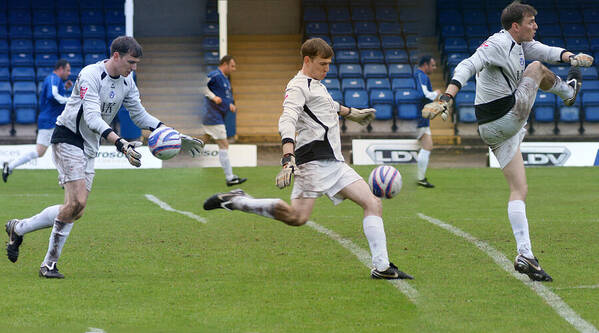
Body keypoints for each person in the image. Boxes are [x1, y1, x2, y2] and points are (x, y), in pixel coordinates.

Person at [203, 38, 413, 280]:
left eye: (329, 64)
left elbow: (327, 105)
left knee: (373, 203)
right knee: (297, 217)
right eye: (322, 64)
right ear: (307, 60)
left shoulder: (317, 85)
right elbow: (287, 119)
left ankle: (382, 267)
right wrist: (287, 156)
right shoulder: (297, 87)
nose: (327, 69)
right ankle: (239, 201)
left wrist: (351, 113)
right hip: (311, 162)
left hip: (335, 162)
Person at [5, 36, 204, 278]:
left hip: (89, 145)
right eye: (131, 62)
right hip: (67, 138)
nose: (134, 68)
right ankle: (49, 264)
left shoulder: (128, 81)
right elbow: (91, 117)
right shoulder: (90, 75)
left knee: (76, 209)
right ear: (116, 56)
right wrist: (120, 143)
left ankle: (19, 227)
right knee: (76, 202)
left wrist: (173, 133)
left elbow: (139, 115)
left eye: (137, 63)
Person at [423, 1, 593, 282]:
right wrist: (447, 97)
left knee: (519, 189)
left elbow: (546, 50)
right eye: (531, 22)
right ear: (516, 26)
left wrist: (570, 58)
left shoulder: (521, 44)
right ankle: (568, 93)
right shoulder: (498, 43)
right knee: (537, 69)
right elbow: (468, 64)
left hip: (491, 129)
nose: (535, 26)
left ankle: (525, 253)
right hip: (505, 115)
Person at [2, 59, 72, 182]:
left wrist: (64, 89)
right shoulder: (53, 78)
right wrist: (70, 100)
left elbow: (54, 95)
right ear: (60, 69)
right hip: (50, 120)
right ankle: (64, 178)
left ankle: (10, 166)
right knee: (58, 149)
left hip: (50, 120)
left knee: (46, 150)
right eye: (67, 70)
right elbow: (53, 96)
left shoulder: (57, 80)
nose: (69, 73)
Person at [201, 55, 246, 187]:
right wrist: (213, 97)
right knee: (224, 145)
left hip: (215, 115)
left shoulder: (225, 79)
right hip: (213, 116)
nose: (234, 69)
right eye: (232, 66)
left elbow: (224, 98)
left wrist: (229, 105)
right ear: (224, 64)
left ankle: (181, 151)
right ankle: (230, 177)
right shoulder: (215, 75)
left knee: (202, 140)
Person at [414, 56, 441, 188]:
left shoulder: (421, 76)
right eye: (433, 65)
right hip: (419, 117)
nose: (434, 68)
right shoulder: (421, 76)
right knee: (426, 146)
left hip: (422, 117)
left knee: (428, 146)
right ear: (425, 65)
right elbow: (423, 95)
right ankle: (419, 177)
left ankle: (420, 178)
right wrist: (435, 93)